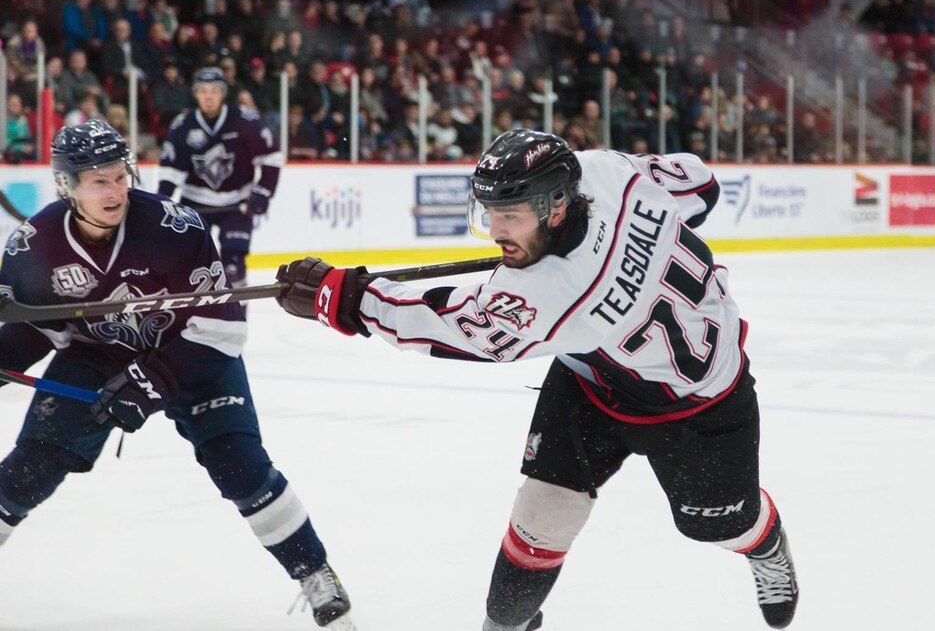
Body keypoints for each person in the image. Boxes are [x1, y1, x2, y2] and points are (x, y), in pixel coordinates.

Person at [275, 130, 800, 630]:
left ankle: (765, 542)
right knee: (542, 514)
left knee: (719, 525)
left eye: (510, 214)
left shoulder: (553, 295)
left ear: (556, 205)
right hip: (593, 376)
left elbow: (440, 326)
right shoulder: (604, 170)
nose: (497, 229)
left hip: (699, 405)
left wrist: (341, 297)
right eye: (490, 212)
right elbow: (699, 184)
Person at [0, 121, 353, 628]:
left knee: (242, 468)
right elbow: (34, 331)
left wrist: (148, 383)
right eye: (98, 180)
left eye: (120, 175)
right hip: (96, 355)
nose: (115, 189)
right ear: (66, 185)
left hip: (188, 355)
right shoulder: (32, 247)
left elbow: (221, 330)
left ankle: (315, 571)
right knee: (28, 469)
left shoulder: (174, 228)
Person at [157, 67, 282, 286]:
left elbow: (271, 157)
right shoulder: (183, 125)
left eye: (214, 90)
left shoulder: (244, 120)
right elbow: (170, 171)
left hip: (236, 204)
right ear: (195, 93)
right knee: (189, 266)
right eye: (203, 90)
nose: (208, 96)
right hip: (195, 203)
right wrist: (161, 203)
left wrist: (262, 194)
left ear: (223, 93)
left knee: (233, 268)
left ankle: (237, 318)